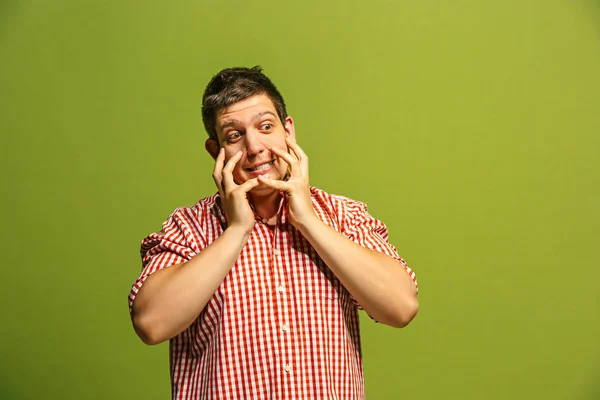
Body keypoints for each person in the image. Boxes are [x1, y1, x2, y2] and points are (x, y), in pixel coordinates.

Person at [128, 66, 418, 400]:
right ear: (215, 150)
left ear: (288, 131)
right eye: (235, 135)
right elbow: (151, 324)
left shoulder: (342, 216)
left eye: (266, 127)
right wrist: (236, 229)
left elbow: (401, 306)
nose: (254, 147)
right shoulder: (188, 227)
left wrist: (308, 220)